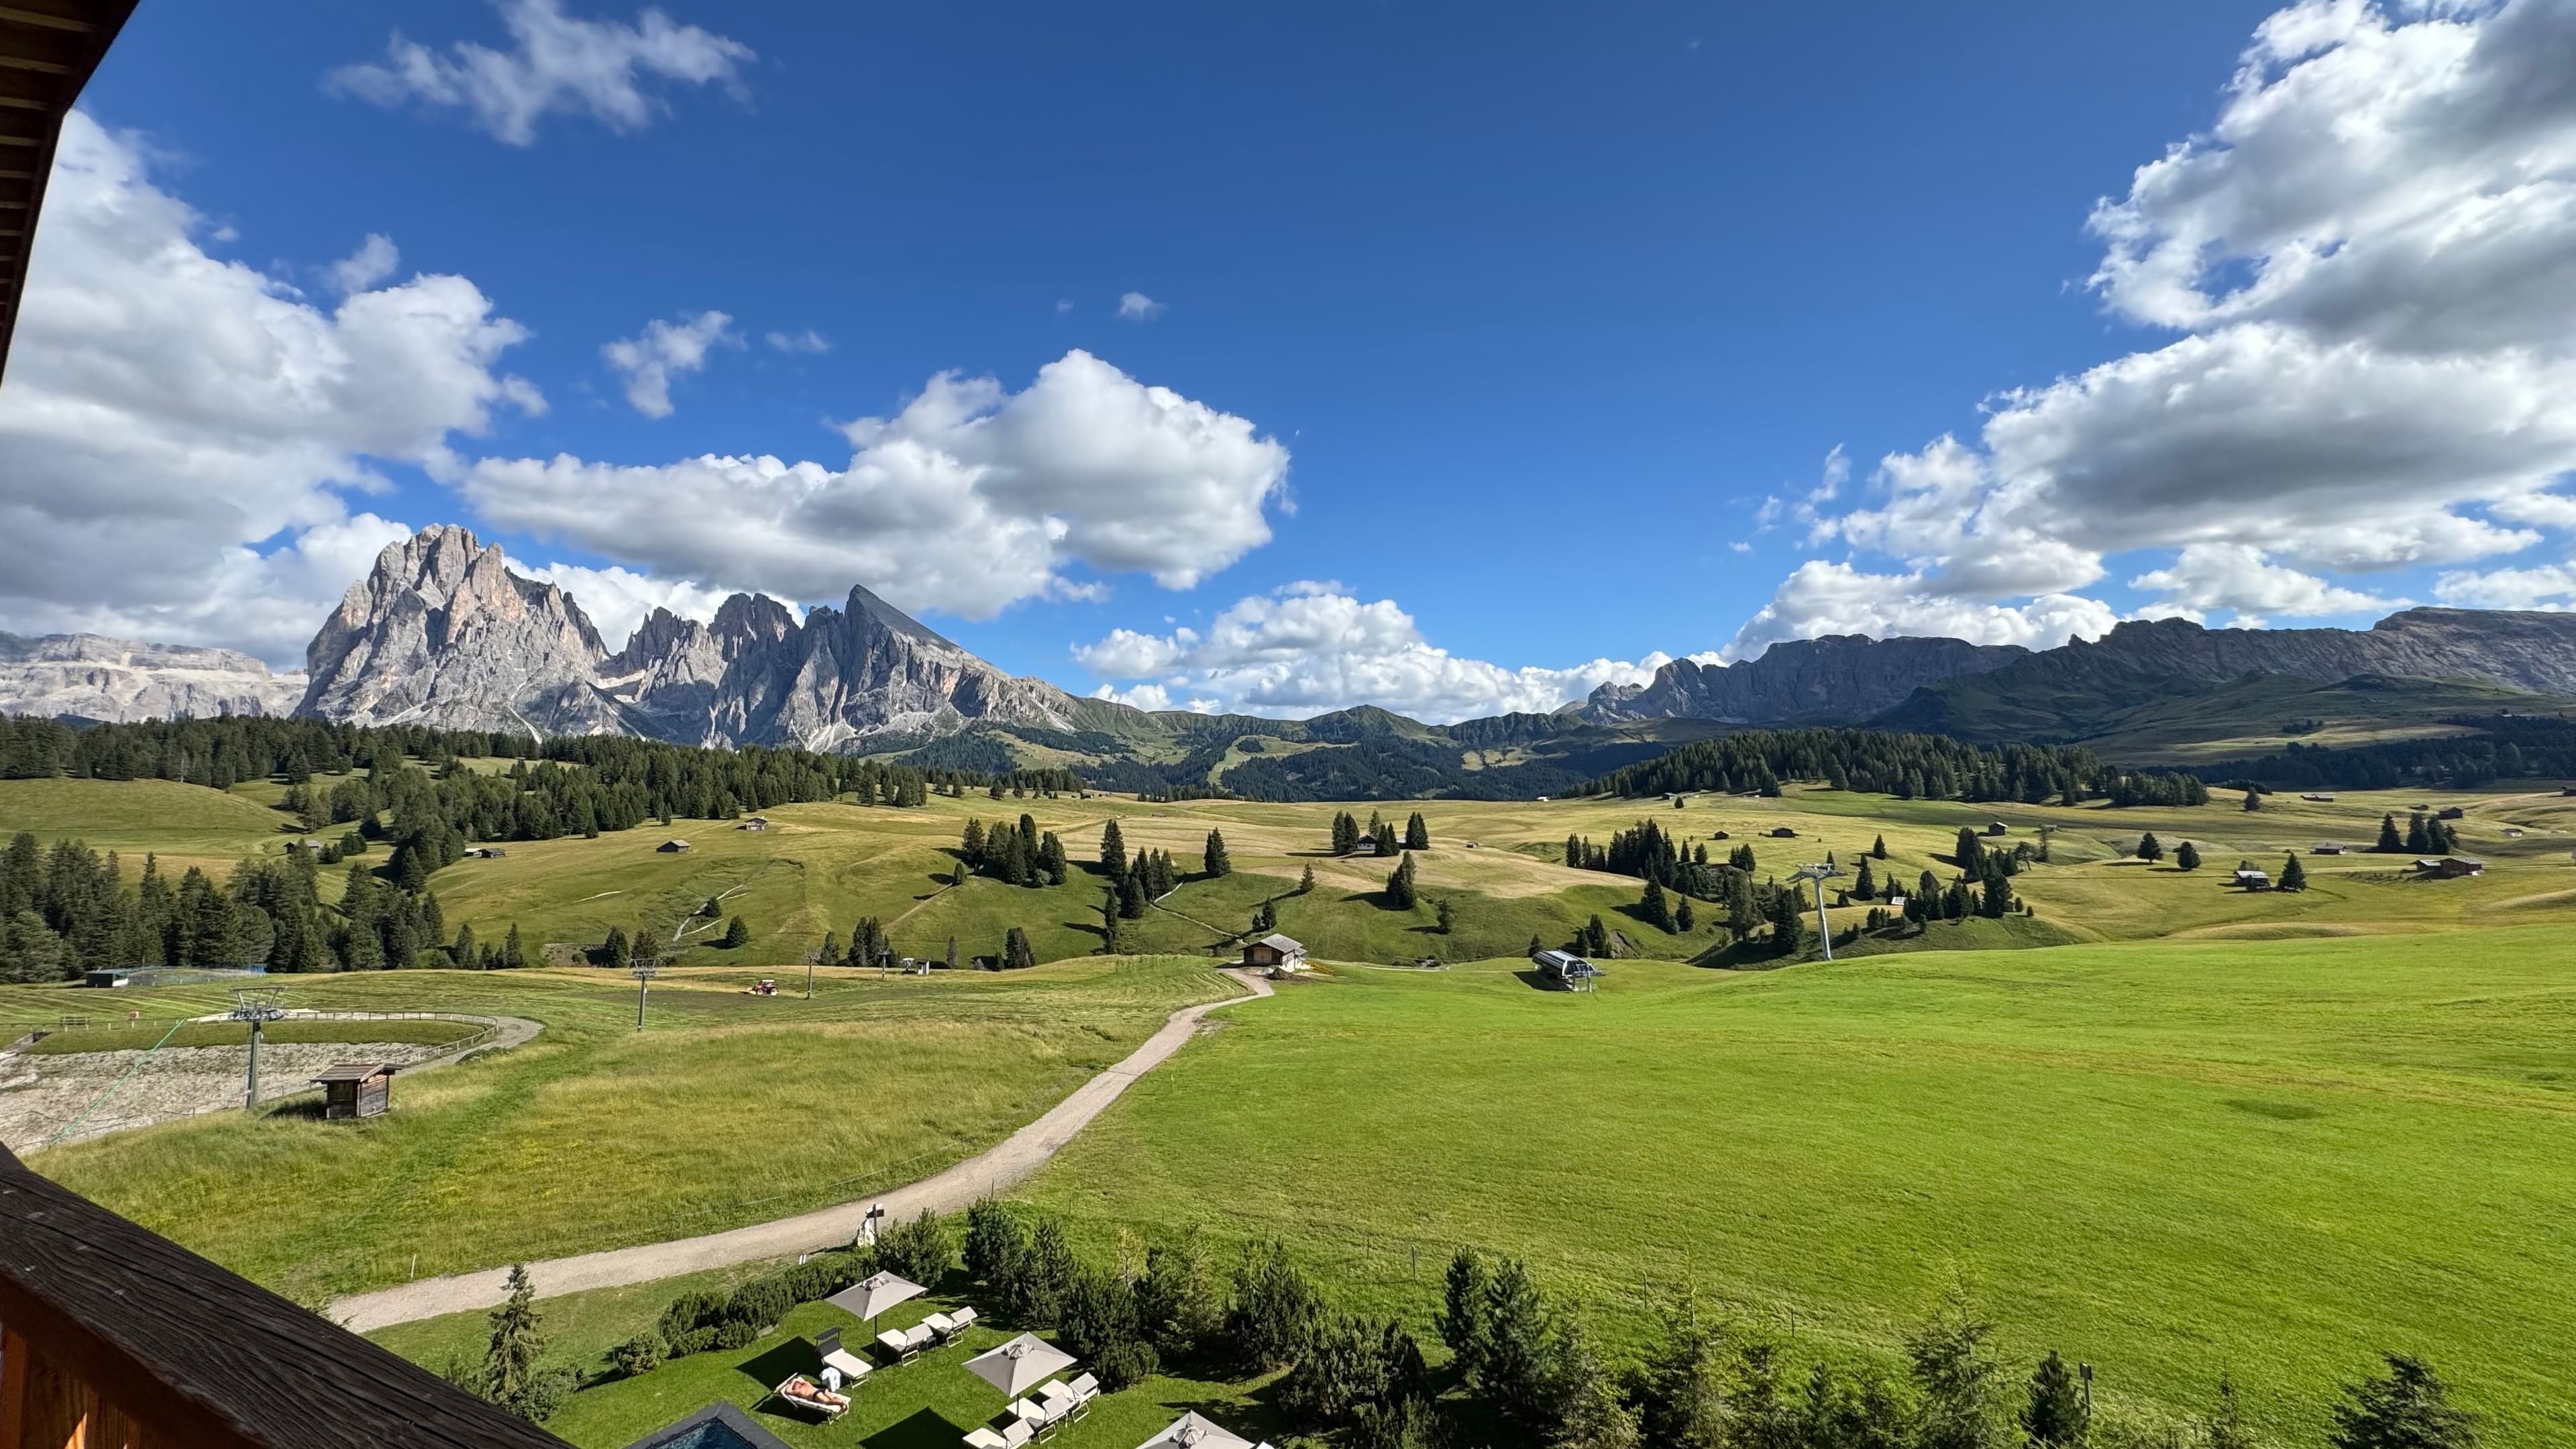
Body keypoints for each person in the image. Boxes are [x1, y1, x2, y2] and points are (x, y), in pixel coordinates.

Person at [782, 1375, 849, 1411]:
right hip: (822, 1390)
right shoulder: (806, 1384)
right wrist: (796, 1380)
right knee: (832, 1398)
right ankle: (842, 1403)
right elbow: (801, 1380)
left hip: (816, 1395)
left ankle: (843, 1403)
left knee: (827, 1402)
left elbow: (788, 1391)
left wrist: (793, 1382)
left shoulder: (798, 1390)